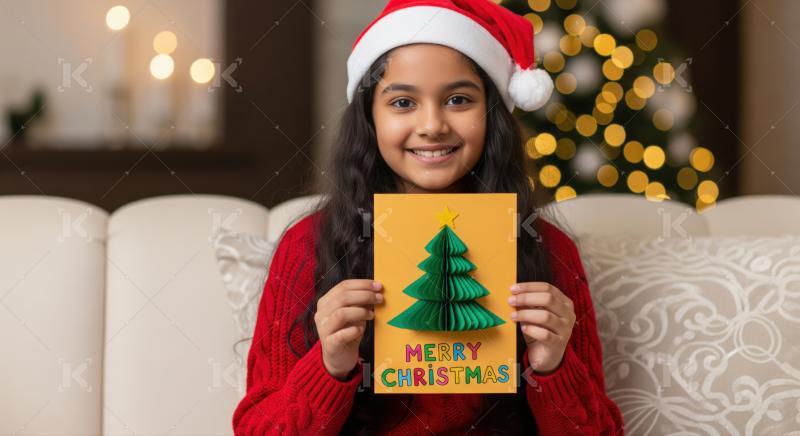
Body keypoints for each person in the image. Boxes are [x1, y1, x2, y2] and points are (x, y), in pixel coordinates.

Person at [232, 0, 624, 434]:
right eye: (402, 102)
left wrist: (553, 368)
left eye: (458, 99)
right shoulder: (307, 246)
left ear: (492, 115)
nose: (432, 124)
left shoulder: (548, 249)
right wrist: (330, 367)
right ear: (369, 118)